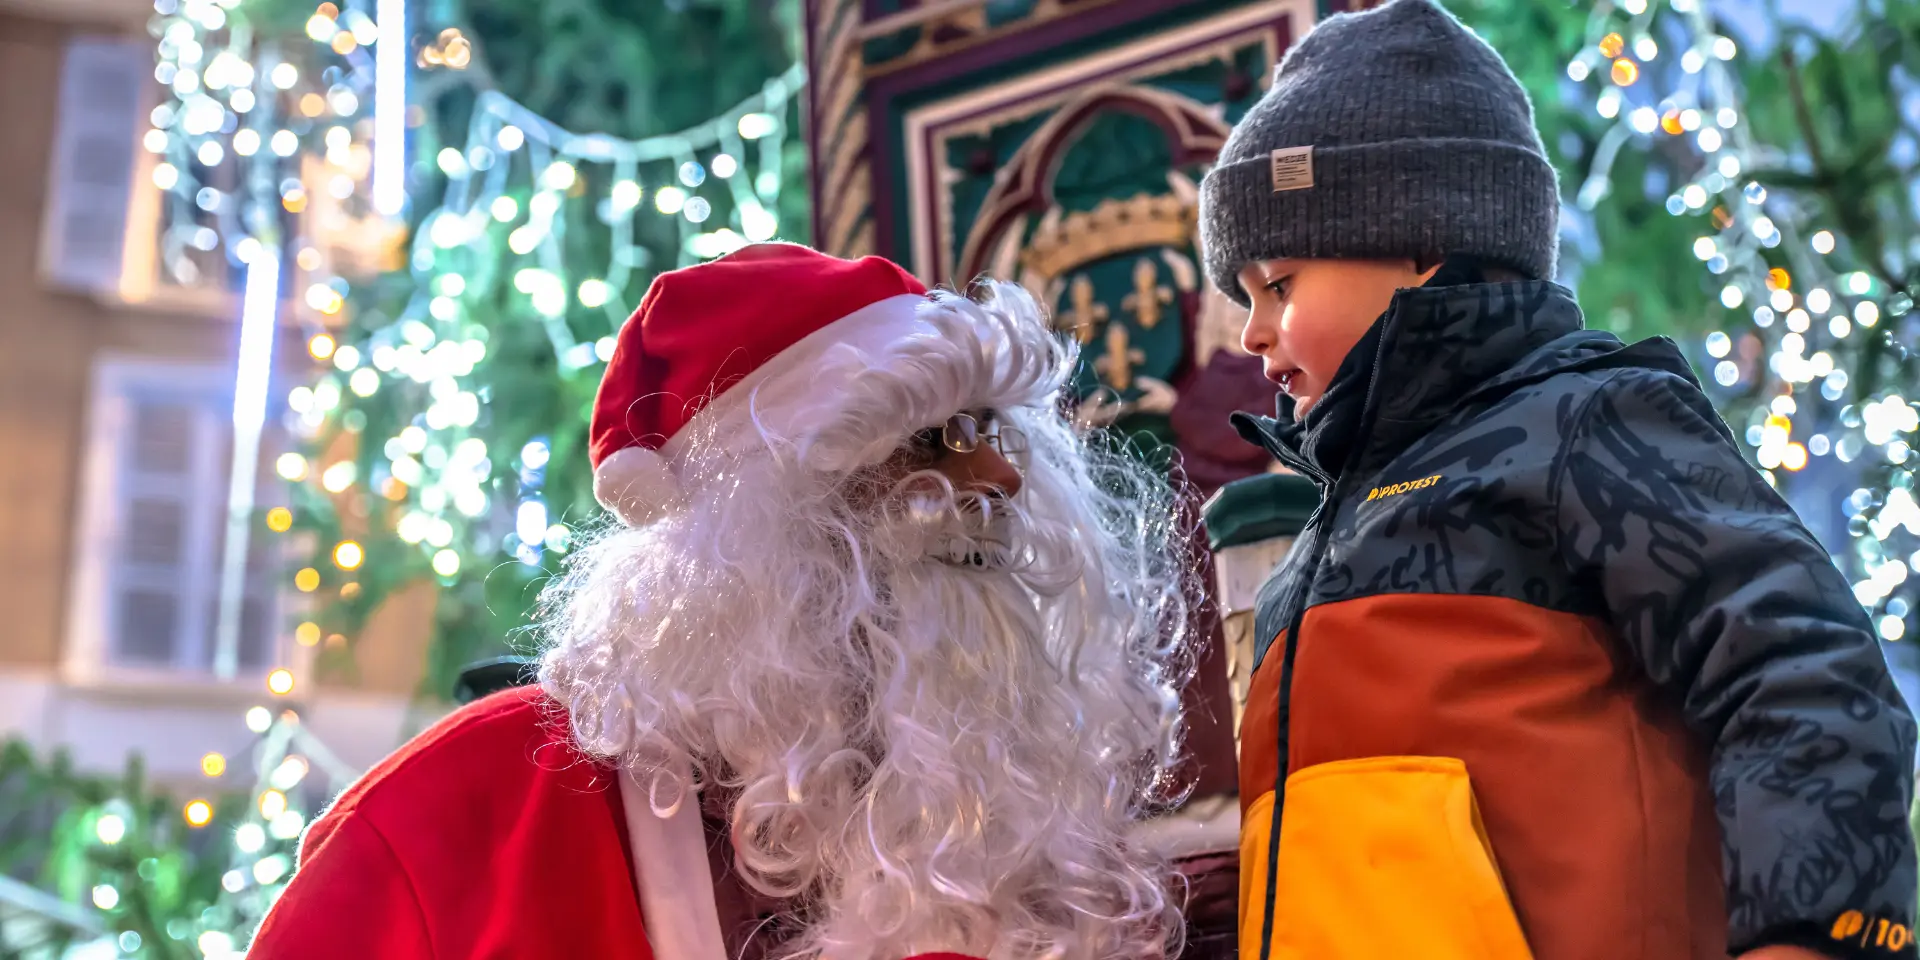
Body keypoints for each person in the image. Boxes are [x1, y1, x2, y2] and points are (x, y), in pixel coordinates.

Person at [1195, 2, 1918, 960]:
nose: (1251, 334)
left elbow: (1799, 661)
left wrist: (1817, 934)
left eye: (1278, 284)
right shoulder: (1312, 556)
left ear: (1420, 247)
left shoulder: (1584, 423)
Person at [247, 243, 1195, 960]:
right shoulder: (455, 818)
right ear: (766, 522)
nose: (1000, 478)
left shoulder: (1000, 806)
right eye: (933, 441)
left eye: (992, 431)